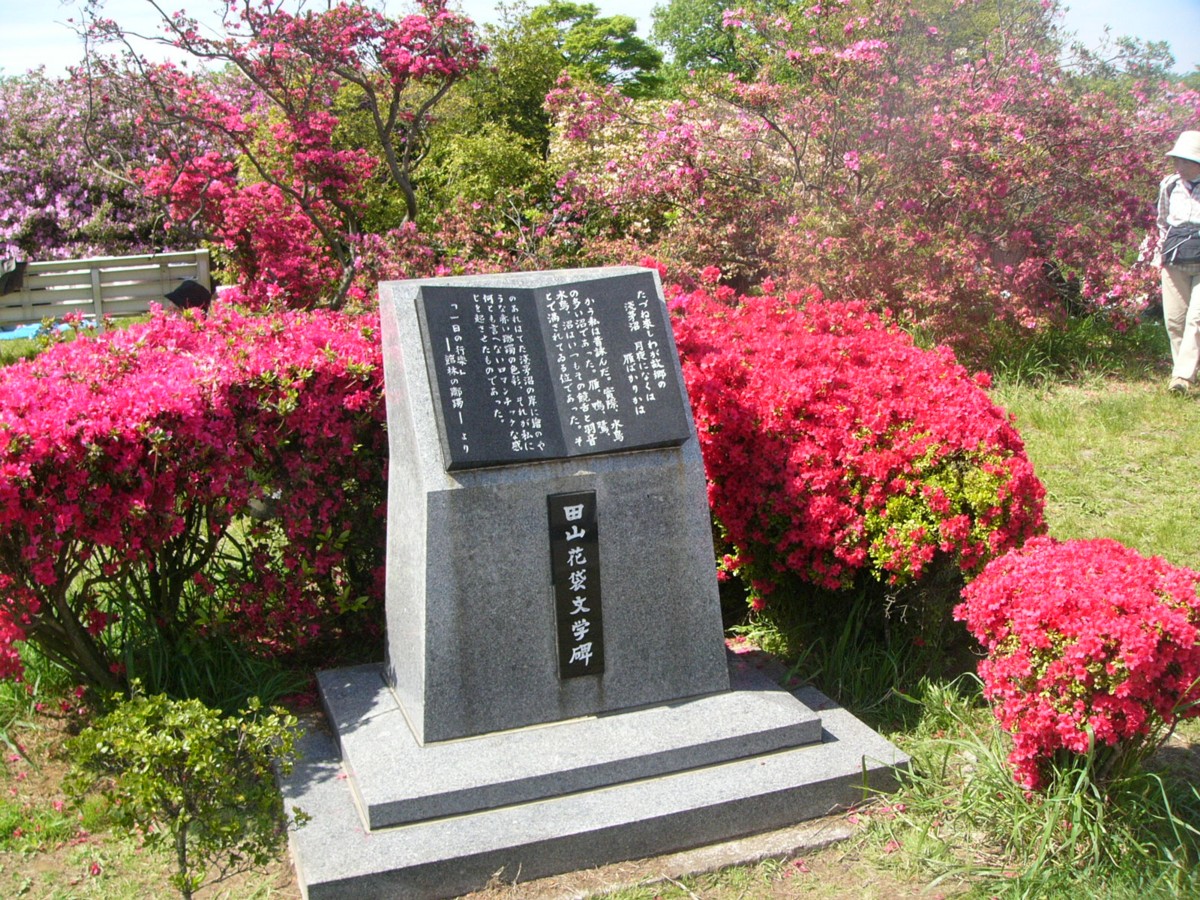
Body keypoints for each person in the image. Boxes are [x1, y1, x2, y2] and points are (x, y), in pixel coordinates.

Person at [1158, 130, 1200, 393]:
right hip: (1174, 260)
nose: (1179, 166)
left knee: (1197, 319)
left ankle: (1182, 377)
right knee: (1175, 320)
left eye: (1185, 161)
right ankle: (1185, 371)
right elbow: (1162, 221)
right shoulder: (1169, 185)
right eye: (1177, 160)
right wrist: (1158, 253)